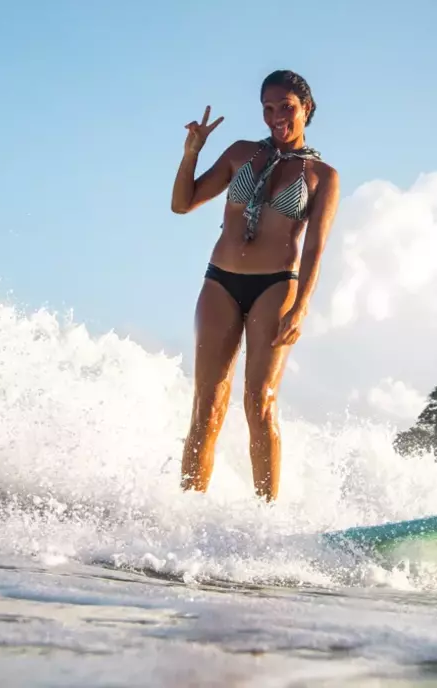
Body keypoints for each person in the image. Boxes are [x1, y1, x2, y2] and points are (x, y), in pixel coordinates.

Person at [170, 69, 341, 501]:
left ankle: (266, 521)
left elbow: (316, 249)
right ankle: (188, 513)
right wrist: (192, 151)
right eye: (268, 107)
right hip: (221, 282)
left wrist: (301, 307)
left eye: (287, 107)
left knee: (259, 404)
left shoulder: (322, 175)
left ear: (307, 109)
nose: (276, 116)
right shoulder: (240, 153)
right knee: (205, 405)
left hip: (275, 286)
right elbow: (182, 204)